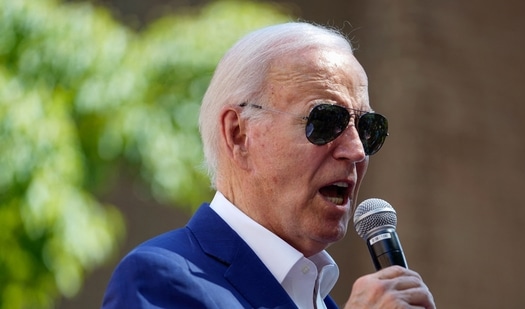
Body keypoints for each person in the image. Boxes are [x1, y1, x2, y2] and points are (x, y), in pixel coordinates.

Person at [101, 21, 436, 309]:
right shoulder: (162, 278)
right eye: (325, 121)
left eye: (367, 129)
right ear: (239, 134)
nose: (357, 150)